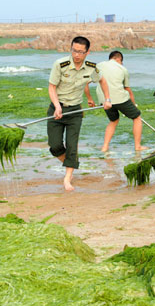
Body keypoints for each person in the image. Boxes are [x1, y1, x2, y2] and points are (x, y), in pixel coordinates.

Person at [48, 36, 111, 192]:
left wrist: (107, 99)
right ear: (71, 49)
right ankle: (70, 164)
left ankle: (68, 178)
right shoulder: (60, 64)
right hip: (57, 109)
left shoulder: (91, 67)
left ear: (87, 52)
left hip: (75, 111)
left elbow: (102, 81)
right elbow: (51, 87)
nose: (77, 55)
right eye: (74, 51)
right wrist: (57, 106)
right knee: (55, 146)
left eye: (81, 52)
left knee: (72, 146)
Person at [96, 50, 147, 152]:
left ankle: (105, 147)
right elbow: (127, 89)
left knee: (113, 120)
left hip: (104, 100)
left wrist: (90, 99)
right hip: (119, 98)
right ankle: (138, 146)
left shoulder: (99, 65)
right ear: (119, 59)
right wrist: (134, 104)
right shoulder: (123, 69)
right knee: (137, 118)